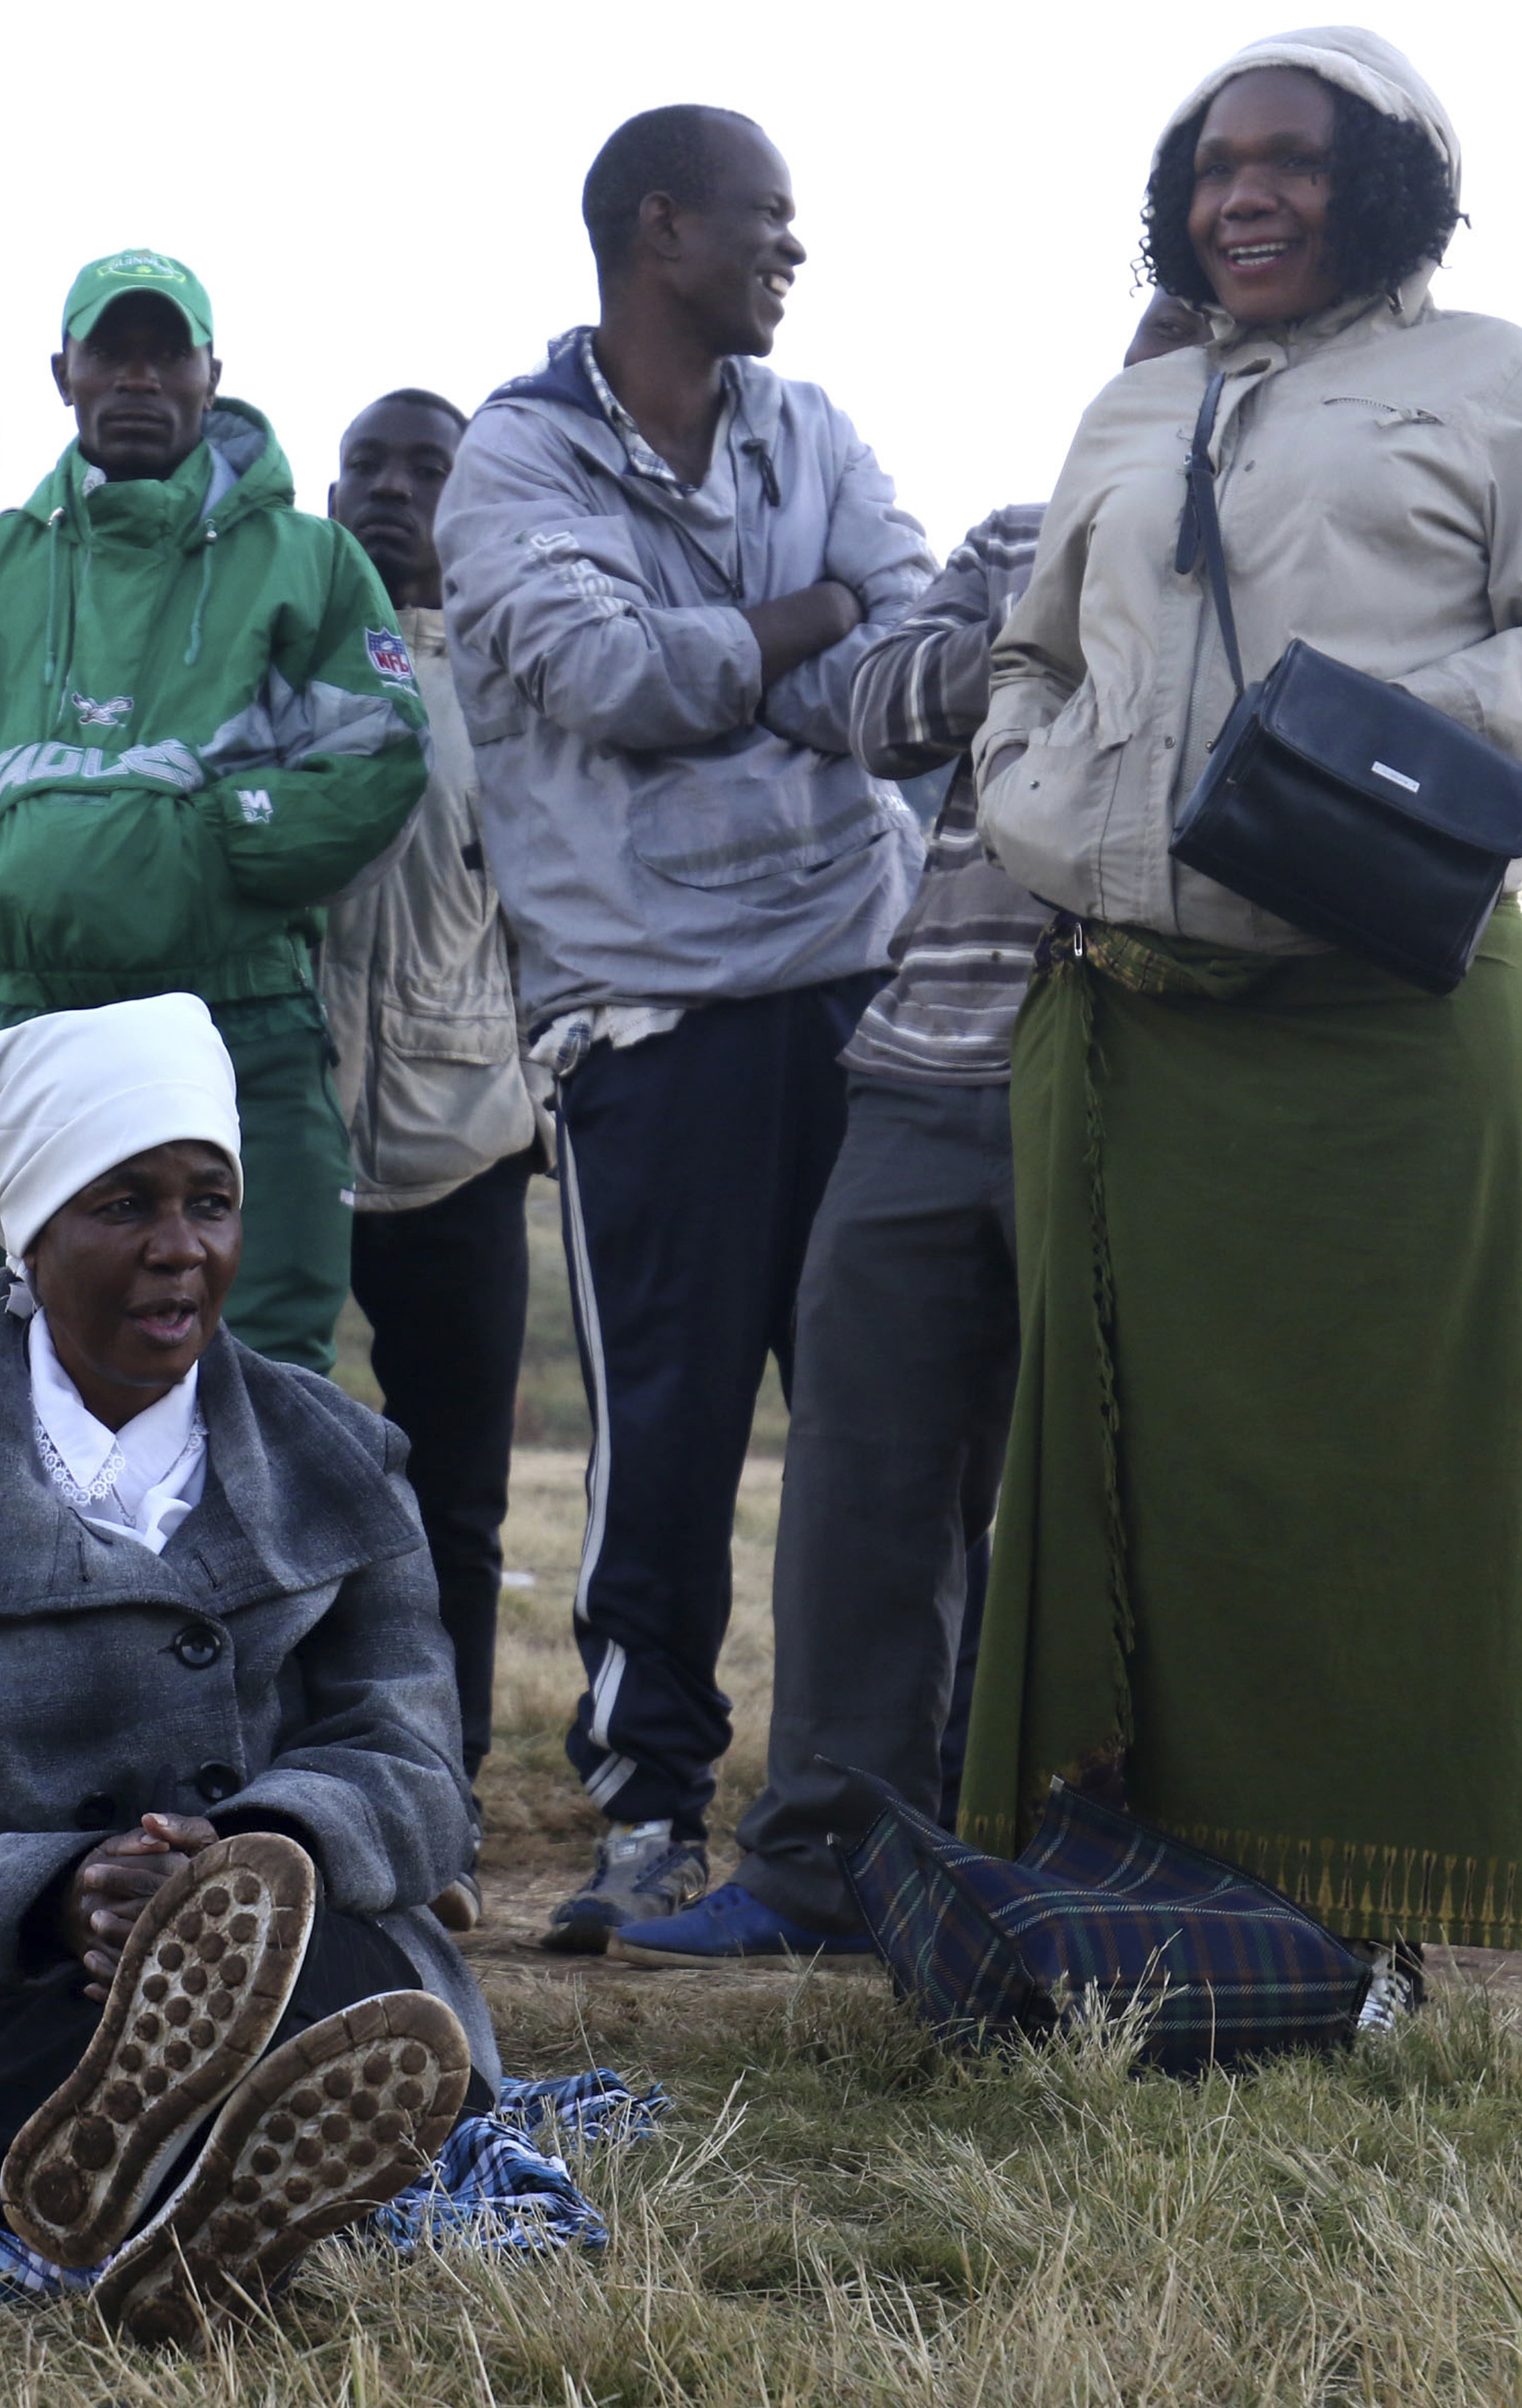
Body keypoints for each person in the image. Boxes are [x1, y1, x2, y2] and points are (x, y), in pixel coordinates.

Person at [963, 28, 1522, 2024]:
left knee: (1376, 1494)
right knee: (1142, 1489)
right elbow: (1029, 651)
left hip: (1388, 1032)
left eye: (1289, 161)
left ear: (1390, 190)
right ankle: (1143, 1906)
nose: (1239, 196)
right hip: (1137, 1040)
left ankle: (1362, 1928)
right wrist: (1038, 789)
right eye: (1210, 168)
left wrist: (1345, 759)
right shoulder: (1135, 400)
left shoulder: (1496, 380)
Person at [0, 993, 614, 2344]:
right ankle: (219, 2181)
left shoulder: (340, 1454)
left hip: (291, 1943)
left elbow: (412, 1770)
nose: (180, 1251)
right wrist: (62, 1896)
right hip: (0, 1970)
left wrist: (245, 1863)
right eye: (124, 1207)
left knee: (344, 2002)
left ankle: (155, 2179)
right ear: (28, 1232)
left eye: (210, 1203)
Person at [610, 294, 1211, 1969]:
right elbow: (862, 705)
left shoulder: (1302, 568)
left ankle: (1083, 1846)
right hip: (922, 1061)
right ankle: (820, 1861)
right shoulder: (1021, 539)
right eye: (1145, 362)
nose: (1163, 393)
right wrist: (1055, 611)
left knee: (1116, 1497)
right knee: (862, 1484)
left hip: (1156, 1083)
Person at [436, 107, 935, 1952]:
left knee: (886, 1430)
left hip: (860, 989)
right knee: (669, 1435)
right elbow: (612, 681)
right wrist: (793, 631)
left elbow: (916, 634)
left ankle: (883, 1808)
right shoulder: (516, 460)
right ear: (663, 231)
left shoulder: (811, 429)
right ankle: (651, 1807)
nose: (793, 255)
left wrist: (769, 645)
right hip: (650, 1019)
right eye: (767, 223)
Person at [0, 251, 430, 1373]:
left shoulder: (311, 561)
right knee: (9, 1374)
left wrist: (200, 844)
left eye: (170, 352)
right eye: (114, 352)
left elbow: (380, 758)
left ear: (213, 372)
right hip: (19, 1024)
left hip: (241, 1022)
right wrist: (4, 867)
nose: (142, 377)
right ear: (65, 372)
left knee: (262, 1371)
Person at [317, 389, 552, 1929]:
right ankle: (277, 1796)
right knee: (258, 1489)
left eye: (427, 469)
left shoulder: (526, 683)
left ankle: (443, 1797)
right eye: (370, 466)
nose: (395, 491)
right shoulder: (270, 644)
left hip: (468, 1132)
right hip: (274, 1132)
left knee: (455, 1500)